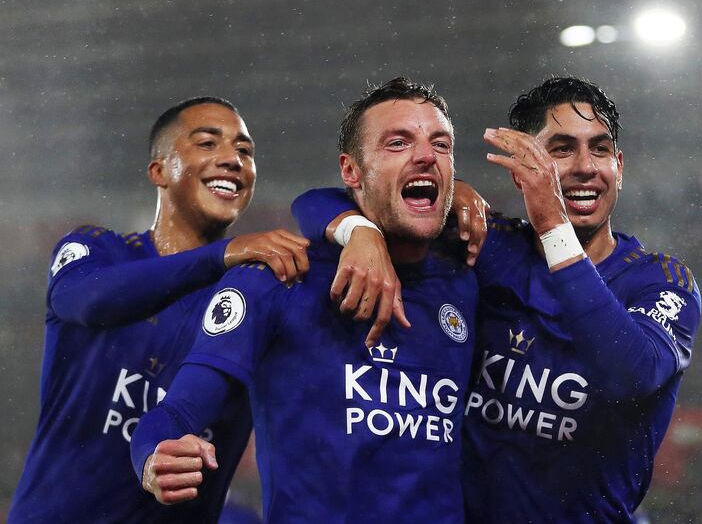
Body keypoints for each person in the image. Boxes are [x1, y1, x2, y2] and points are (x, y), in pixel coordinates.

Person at [292, 77, 702, 523]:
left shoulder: (660, 281)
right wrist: (361, 231)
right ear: (520, 169)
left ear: (619, 166)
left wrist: (552, 225)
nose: (586, 166)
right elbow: (317, 202)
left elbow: (628, 375)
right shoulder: (490, 247)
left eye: (600, 149)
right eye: (561, 150)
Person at [130, 78, 479, 522]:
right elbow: (176, 413)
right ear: (351, 172)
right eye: (397, 143)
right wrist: (154, 455)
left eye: (441, 145)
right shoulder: (278, 281)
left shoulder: (469, 275)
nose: (426, 156)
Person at [9, 97, 309, 523]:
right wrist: (220, 255)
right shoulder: (98, 250)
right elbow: (89, 299)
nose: (232, 159)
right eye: (207, 143)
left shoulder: (257, 299)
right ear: (159, 170)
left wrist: (355, 229)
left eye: (245, 151)